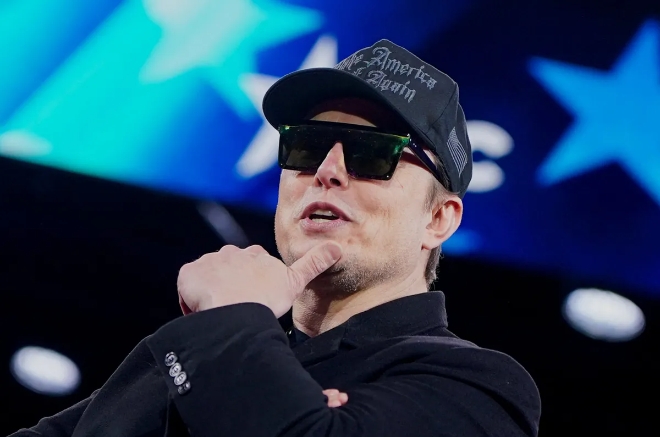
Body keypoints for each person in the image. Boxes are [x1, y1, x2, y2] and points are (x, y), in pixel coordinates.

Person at [11, 39, 541, 436]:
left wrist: (231, 320)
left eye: (371, 153)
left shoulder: (480, 385)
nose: (327, 171)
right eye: (307, 146)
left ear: (439, 220)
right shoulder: (208, 343)